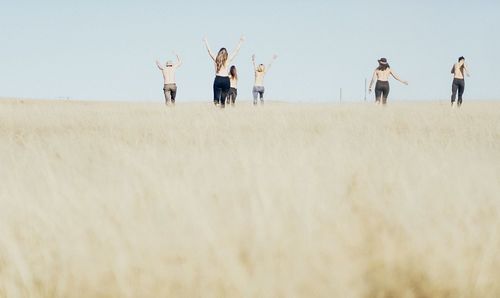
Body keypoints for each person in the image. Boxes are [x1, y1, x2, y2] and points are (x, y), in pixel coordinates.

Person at [203, 36, 244, 108]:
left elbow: (209, 51)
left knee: (216, 99)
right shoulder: (228, 60)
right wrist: (240, 42)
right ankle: (222, 109)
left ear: (219, 53)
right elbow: (236, 51)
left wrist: (206, 41)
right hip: (226, 80)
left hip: (218, 79)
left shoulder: (216, 59)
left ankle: (217, 105)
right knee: (223, 100)